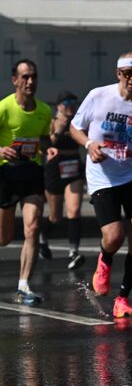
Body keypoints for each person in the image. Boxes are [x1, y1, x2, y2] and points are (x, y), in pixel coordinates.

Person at [69, 52, 132, 319]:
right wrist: (89, 144)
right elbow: (75, 127)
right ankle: (105, 259)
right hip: (102, 174)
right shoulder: (98, 96)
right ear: (118, 74)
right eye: (126, 73)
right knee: (114, 236)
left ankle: (123, 298)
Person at [1, 59, 54, 304]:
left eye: (33, 76)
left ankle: (24, 286)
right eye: (25, 77)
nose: (30, 81)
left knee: (32, 228)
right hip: (6, 176)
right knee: (4, 238)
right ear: (15, 80)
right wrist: (1, 150)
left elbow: (43, 141)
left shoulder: (44, 110)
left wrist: (48, 150)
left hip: (32, 174)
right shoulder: (4, 108)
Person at [43, 91, 86, 271]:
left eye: (73, 102)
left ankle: (73, 252)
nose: (70, 105)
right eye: (66, 102)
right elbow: (46, 144)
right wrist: (58, 131)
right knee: (55, 216)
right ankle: (42, 238)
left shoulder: (78, 122)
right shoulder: (52, 122)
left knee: (74, 210)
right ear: (59, 105)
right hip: (55, 168)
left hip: (73, 165)